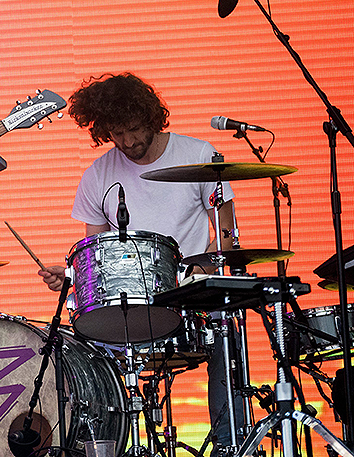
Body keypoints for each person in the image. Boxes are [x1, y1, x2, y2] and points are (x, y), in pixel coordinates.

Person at [37, 73, 243, 452]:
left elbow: (228, 238)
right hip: (130, 306)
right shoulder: (97, 176)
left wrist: (201, 272)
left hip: (191, 293)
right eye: (117, 134)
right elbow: (96, 253)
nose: (128, 142)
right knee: (85, 348)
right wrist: (69, 274)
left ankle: (230, 446)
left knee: (229, 335)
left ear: (151, 116)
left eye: (134, 129)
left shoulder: (199, 156)